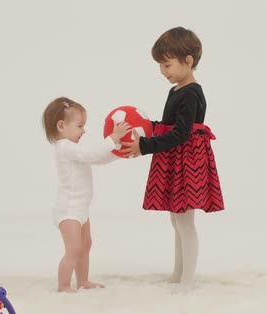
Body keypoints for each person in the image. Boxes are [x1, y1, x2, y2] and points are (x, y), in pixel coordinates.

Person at [121, 27, 225, 291]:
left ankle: (188, 279)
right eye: (160, 65)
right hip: (175, 158)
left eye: (167, 64)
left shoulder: (191, 92)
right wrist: (145, 126)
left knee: (184, 221)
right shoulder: (177, 90)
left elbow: (180, 134)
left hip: (186, 161)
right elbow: (170, 125)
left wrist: (144, 145)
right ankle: (178, 273)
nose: (163, 71)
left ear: (188, 61)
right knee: (176, 218)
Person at [42, 97, 131, 293]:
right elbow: (92, 154)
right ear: (61, 126)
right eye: (80, 125)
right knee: (74, 248)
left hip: (80, 207)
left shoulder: (73, 150)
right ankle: (64, 285)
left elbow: (97, 159)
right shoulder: (64, 147)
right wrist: (113, 138)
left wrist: (119, 152)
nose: (84, 131)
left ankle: (82, 281)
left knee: (85, 244)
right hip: (68, 209)